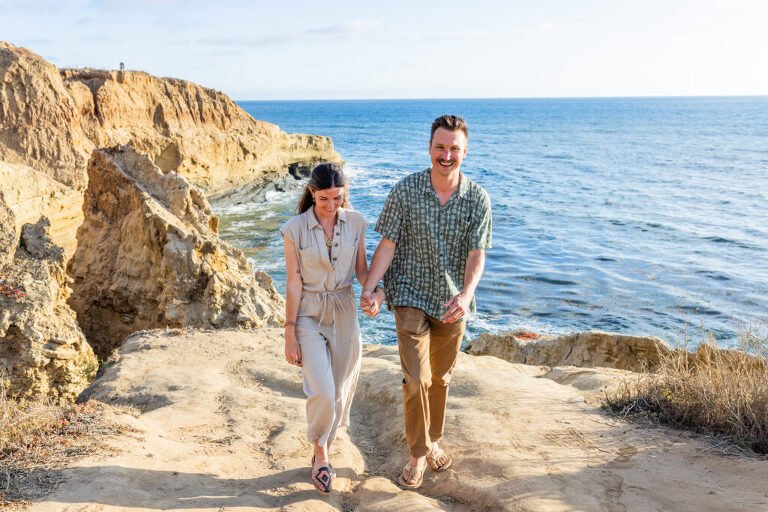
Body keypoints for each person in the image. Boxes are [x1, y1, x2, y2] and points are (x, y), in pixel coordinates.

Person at [361, 115, 492, 489]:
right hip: (409, 294)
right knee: (416, 377)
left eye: (454, 148)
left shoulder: (478, 199)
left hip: (452, 300)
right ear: (429, 149)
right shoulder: (406, 191)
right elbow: (388, 245)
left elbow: (476, 254)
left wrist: (466, 297)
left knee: (440, 378)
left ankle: (434, 438)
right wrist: (370, 289)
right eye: (440, 147)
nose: (446, 155)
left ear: (464, 152)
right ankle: (418, 453)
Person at [280, 163, 384, 494]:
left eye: (338, 198)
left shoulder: (356, 223)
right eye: (324, 199)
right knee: (322, 390)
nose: (331, 206)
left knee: (340, 392)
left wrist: (375, 294)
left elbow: (362, 272)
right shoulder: (294, 229)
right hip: (309, 314)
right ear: (312, 193)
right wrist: (289, 331)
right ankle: (321, 454)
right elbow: (293, 282)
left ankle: (326, 438)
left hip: (345, 313)